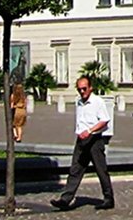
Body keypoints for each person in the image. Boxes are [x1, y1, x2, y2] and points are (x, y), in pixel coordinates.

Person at [51, 76, 114, 211]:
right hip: (81, 140)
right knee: (75, 169)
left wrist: (90, 131)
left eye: (84, 89)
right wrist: (81, 133)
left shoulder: (97, 102)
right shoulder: (79, 102)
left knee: (101, 170)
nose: (82, 92)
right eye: (79, 89)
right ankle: (66, 199)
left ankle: (108, 198)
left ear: (90, 88)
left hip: (94, 140)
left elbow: (105, 120)